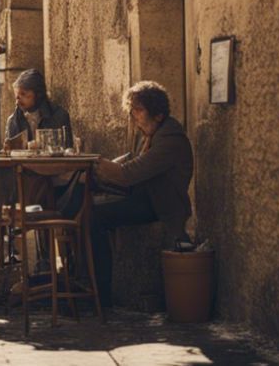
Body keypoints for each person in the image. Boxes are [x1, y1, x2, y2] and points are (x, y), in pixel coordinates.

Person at [67, 81, 193, 307]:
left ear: (157, 113)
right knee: (83, 203)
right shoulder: (149, 133)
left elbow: (130, 173)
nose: (134, 116)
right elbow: (129, 158)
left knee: (95, 217)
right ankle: (81, 282)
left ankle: (100, 295)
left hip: (161, 205)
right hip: (143, 197)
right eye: (131, 110)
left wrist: (94, 163)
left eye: (139, 110)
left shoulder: (170, 139)